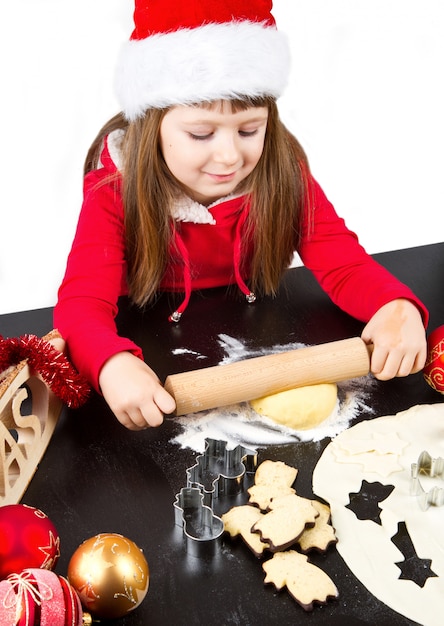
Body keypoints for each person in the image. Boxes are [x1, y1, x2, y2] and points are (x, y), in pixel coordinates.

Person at [54, 0, 428, 431]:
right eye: (201, 133)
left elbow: (343, 263)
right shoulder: (113, 191)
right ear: (151, 126)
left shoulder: (283, 173)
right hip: (148, 333)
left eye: (249, 130)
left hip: (255, 322)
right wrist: (111, 363)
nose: (230, 155)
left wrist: (395, 305)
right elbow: (81, 305)